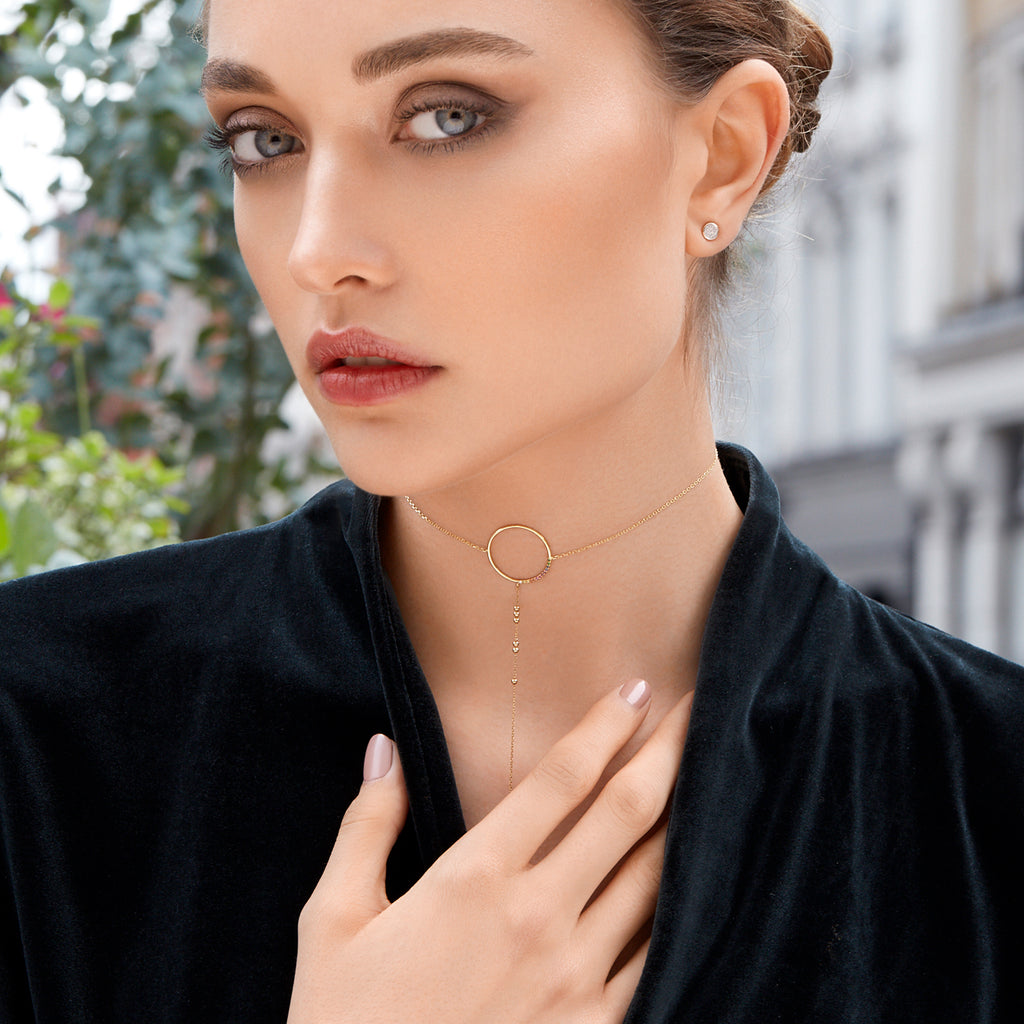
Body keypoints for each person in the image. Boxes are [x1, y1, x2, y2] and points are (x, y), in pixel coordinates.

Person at [2, 0, 1023, 1021]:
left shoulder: (989, 792)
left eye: (445, 116)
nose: (318, 249)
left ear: (721, 156)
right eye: (264, 140)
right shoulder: (36, 737)